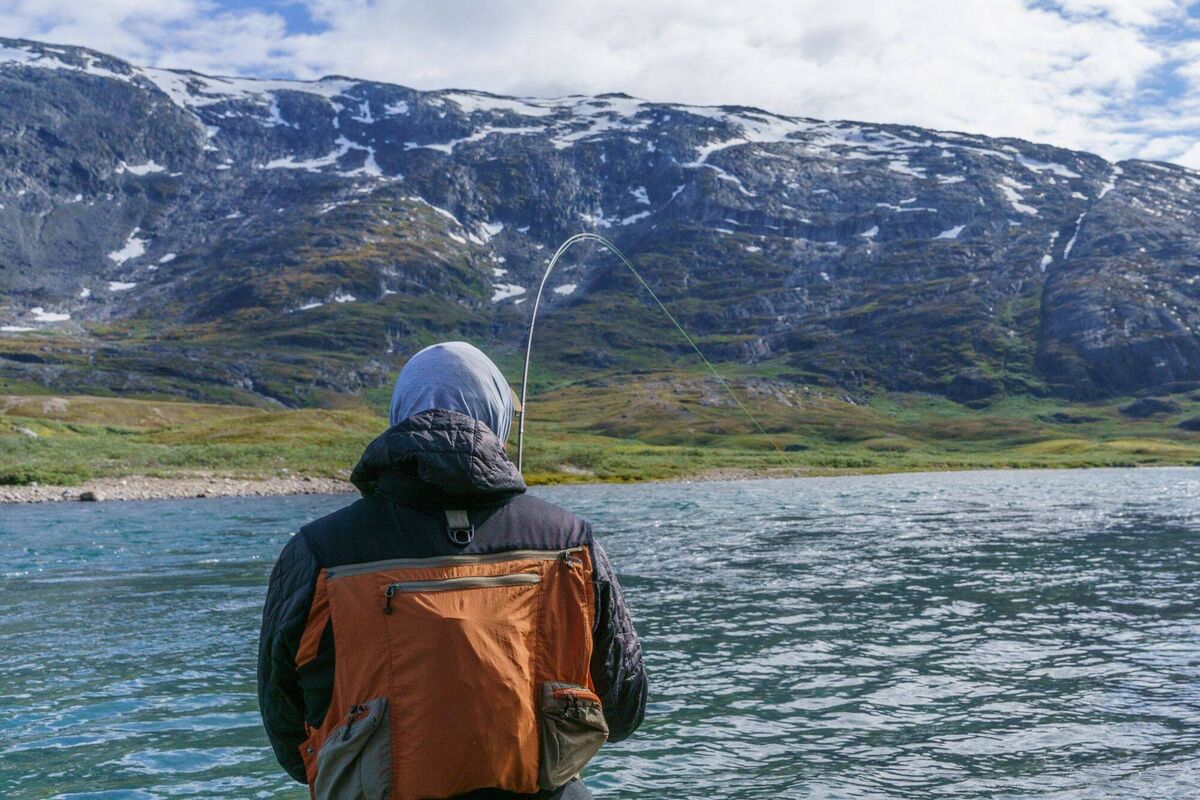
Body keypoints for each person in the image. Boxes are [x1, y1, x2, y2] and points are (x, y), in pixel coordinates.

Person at [257, 341, 648, 799]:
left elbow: (288, 739)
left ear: (400, 413)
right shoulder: (571, 540)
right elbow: (622, 710)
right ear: (497, 418)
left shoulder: (317, 550)